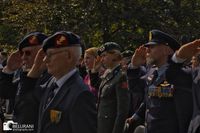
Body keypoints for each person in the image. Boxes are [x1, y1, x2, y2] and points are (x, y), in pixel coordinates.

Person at [126, 29, 193, 133]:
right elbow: (138, 91)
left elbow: (185, 113)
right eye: (147, 47)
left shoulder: (181, 74)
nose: (147, 51)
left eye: (152, 47)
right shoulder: (151, 72)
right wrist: (134, 66)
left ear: (167, 50)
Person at [31, 31, 97, 133]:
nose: (45, 60)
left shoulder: (81, 94)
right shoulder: (51, 83)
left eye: (50, 54)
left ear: (69, 56)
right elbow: (27, 101)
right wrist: (34, 70)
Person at [0, 32, 47, 132]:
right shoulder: (27, 77)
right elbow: (6, 92)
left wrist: (7, 127)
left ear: (42, 54)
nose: (23, 57)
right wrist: (8, 70)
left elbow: (31, 123)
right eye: (22, 53)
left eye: (28, 53)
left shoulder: (52, 79)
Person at [97, 42, 130, 133]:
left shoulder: (121, 76)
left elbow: (122, 111)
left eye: (104, 55)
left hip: (110, 128)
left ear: (115, 55)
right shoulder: (107, 75)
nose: (102, 59)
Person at [173, 39, 200, 133]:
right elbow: (172, 74)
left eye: (193, 61)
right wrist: (178, 58)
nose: (191, 64)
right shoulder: (195, 75)